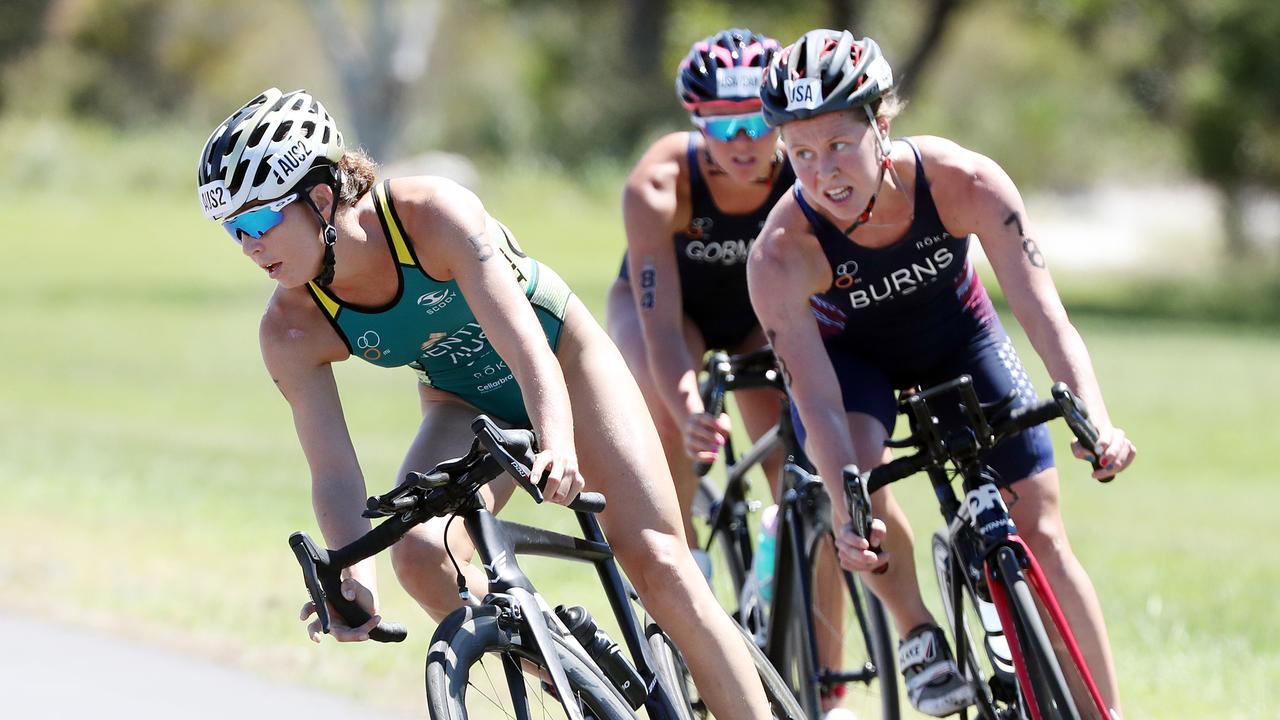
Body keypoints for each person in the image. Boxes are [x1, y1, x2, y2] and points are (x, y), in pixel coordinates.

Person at [195, 88, 772, 718]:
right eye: (232, 229)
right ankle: (575, 679)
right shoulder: (291, 328)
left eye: (257, 220)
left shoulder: (432, 216)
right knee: (418, 557)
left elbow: (529, 349)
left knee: (658, 563)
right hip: (466, 403)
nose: (248, 245)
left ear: (322, 197)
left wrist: (558, 439)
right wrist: (355, 579)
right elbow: (333, 471)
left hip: (564, 364)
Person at [747, 30, 1137, 718]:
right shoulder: (780, 253)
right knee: (857, 472)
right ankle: (916, 629)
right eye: (800, 154)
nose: (823, 172)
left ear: (881, 125)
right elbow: (816, 398)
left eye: (839, 144)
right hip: (854, 366)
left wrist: (1096, 417)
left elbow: (1046, 316)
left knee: (1041, 528)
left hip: (960, 338)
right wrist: (846, 509)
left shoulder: (965, 181)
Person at [606, 28, 793, 567]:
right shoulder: (661, 183)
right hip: (668, 310)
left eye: (757, 122)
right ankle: (688, 570)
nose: (742, 141)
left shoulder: (805, 170)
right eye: (723, 125)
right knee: (668, 422)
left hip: (757, 312)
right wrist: (690, 409)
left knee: (786, 444)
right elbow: (660, 324)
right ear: (698, 123)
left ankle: (784, 545)